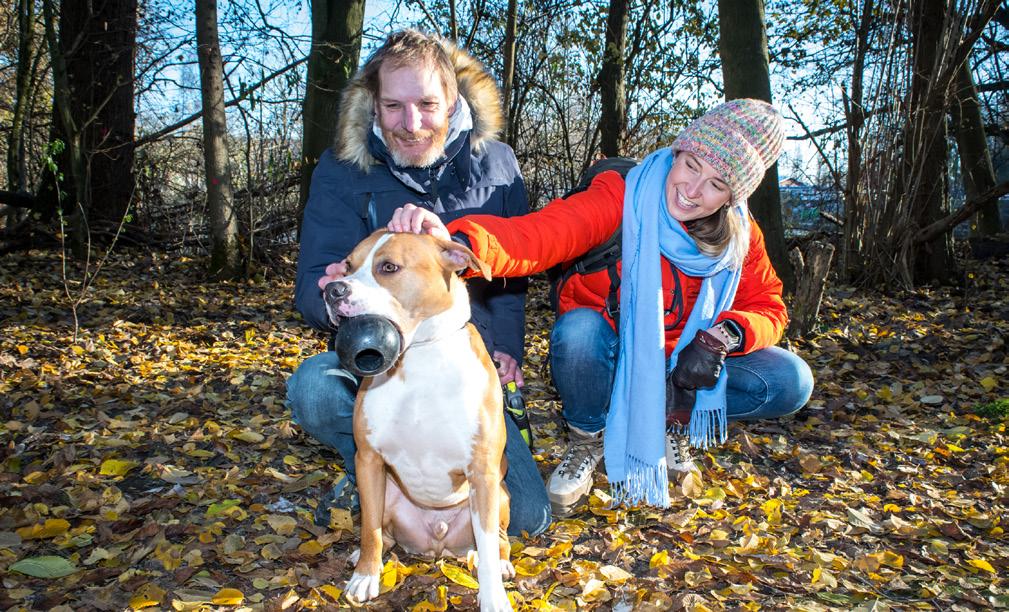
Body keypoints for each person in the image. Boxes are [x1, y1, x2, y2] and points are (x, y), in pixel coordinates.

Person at [388, 98, 815, 515]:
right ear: (677, 153)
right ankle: (587, 438)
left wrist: (726, 335)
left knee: (788, 379)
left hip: (679, 369)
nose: (692, 190)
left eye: (716, 185)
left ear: (732, 198)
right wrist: (457, 244)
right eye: (691, 165)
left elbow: (768, 306)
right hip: (605, 359)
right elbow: (541, 234)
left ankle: (668, 418)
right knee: (578, 331)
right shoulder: (623, 194)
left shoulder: (741, 236)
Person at [287, 29, 551, 536]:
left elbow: (513, 275)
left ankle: (431, 468)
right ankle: (372, 471)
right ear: (374, 104)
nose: (411, 124)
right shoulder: (341, 170)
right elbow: (312, 281)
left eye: (427, 105)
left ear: (452, 100)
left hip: (463, 370)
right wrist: (331, 294)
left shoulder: (498, 163)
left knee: (527, 520)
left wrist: (507, 349)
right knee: (314, 389)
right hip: (383, 366)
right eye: (394, 107)